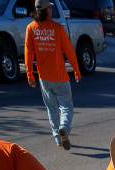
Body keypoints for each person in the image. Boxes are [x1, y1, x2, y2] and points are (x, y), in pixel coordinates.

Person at [24, 0, 81, 150]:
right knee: (66, 106)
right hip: (60, 76)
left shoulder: (31, 28)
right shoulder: (57, 28)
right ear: (48, 10)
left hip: (44, 77)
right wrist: (76, 69)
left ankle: (58, 137)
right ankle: (64, 128)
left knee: (51, 108)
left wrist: (29, 73)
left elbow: (28, 52)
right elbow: (69, 50)